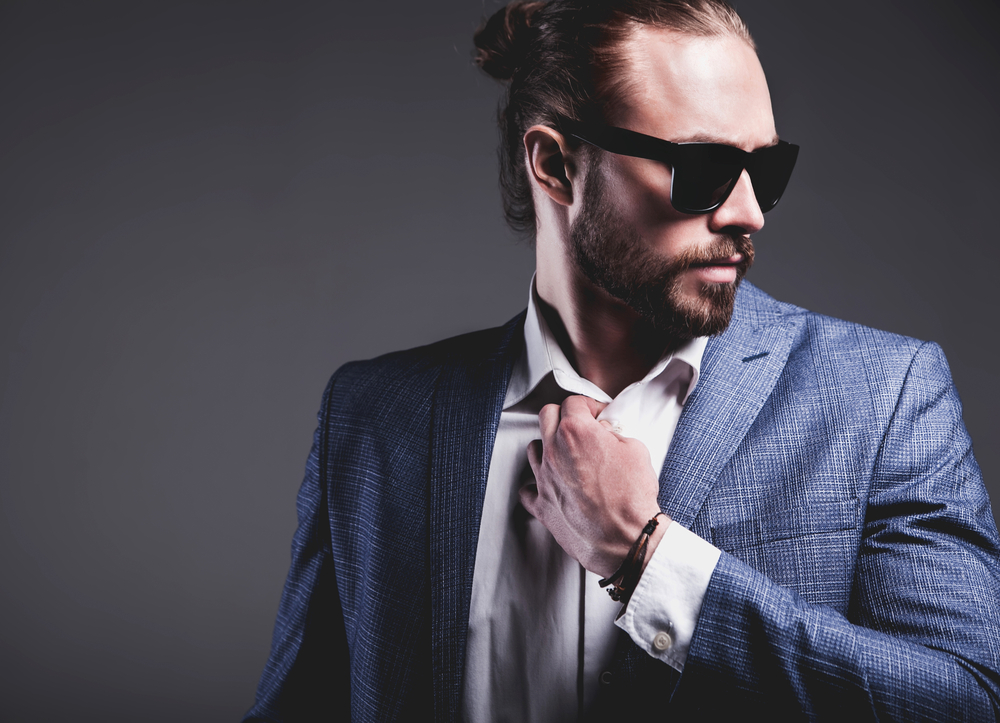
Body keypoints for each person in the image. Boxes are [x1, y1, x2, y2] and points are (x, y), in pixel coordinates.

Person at [244, 1, 1000, 720]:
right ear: (555, 165)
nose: (748, 213)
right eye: (702, 170)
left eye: (766, 171)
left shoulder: (882, 395)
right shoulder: (375, 418)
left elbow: (965, 701)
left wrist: (648, 559)